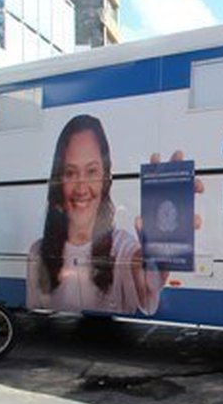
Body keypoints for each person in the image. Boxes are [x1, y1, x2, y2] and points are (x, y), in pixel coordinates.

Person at [26, 115, 154, 314]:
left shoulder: (122, 247)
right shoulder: (37, 253)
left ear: (105, 179)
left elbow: (140, 270)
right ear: (58, 180)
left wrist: (157, 257)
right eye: (70, 173)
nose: (81, 188)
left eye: (92, 171)